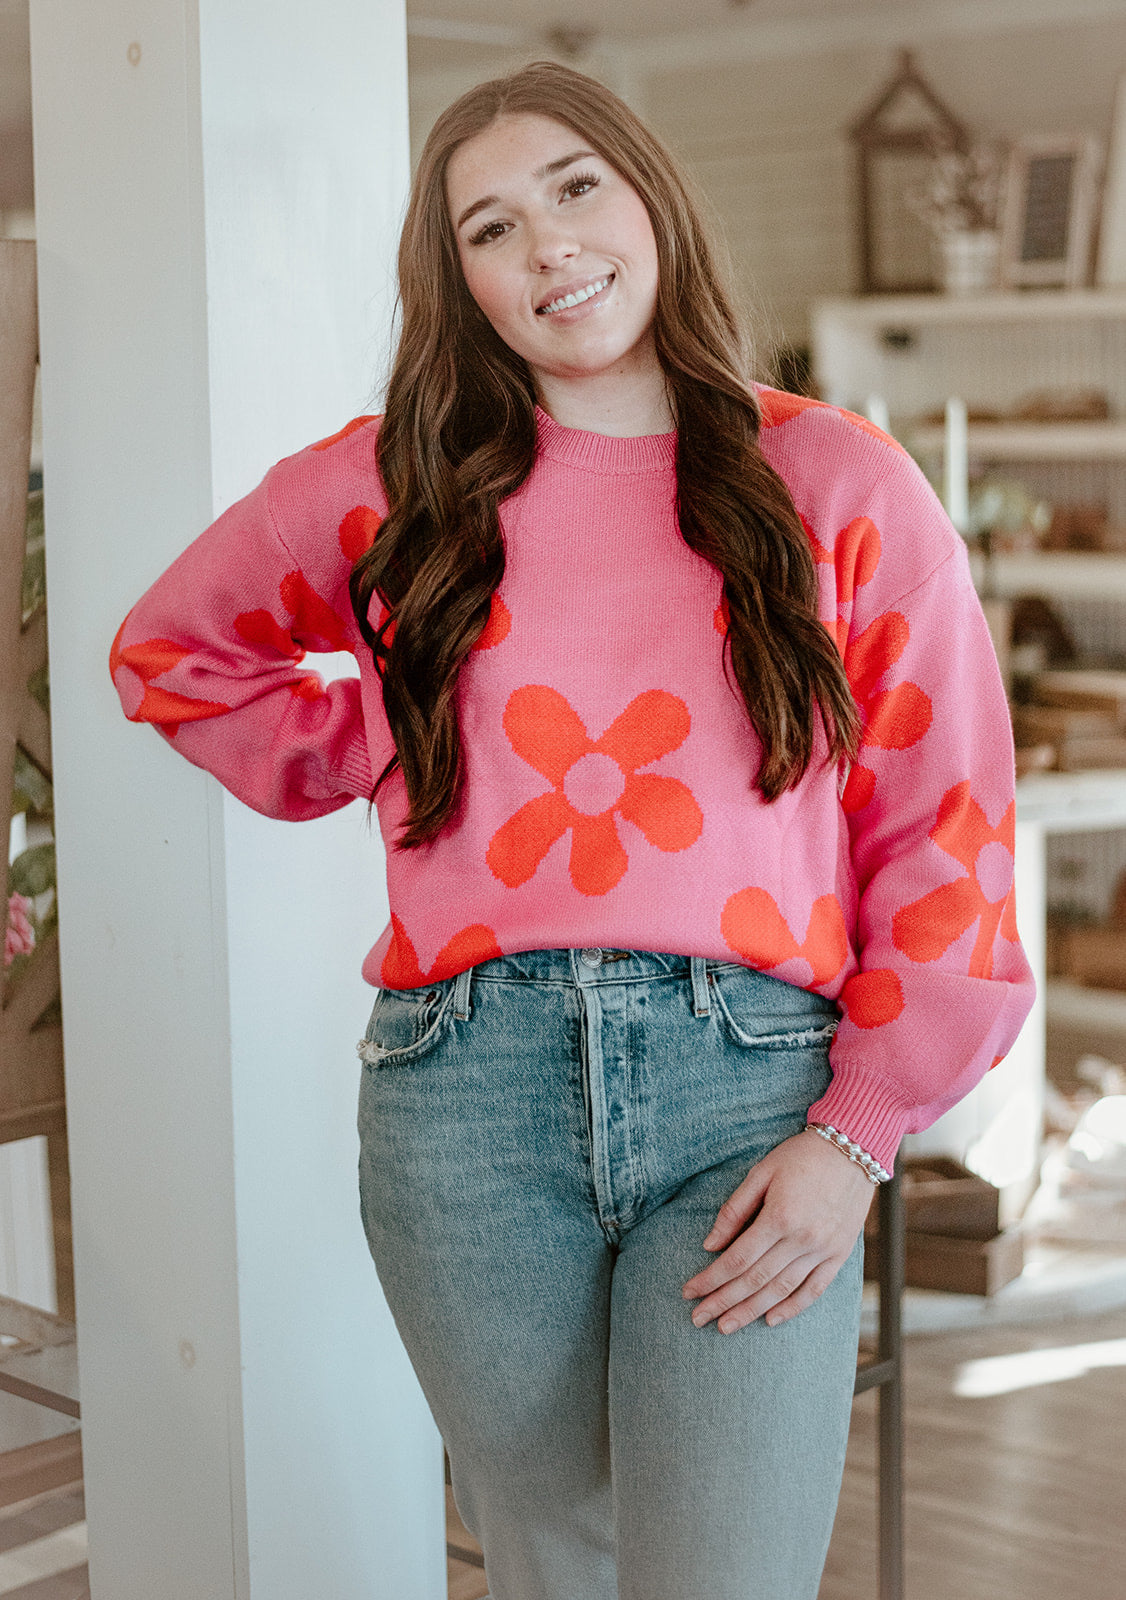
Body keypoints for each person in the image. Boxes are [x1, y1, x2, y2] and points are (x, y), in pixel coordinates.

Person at [110, 59, 1035, 1600]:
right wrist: (393, 732)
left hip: (749, 1093)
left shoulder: (832, 477)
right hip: (458, 1102)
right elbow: (172, 654)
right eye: (489, 226)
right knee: (553, 1568)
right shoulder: (385, 489)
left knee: (717, 1576)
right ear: (455, 279)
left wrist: (858, 1128)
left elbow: (948, 823)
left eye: (574, 189)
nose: (545, 245)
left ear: (648, 198)